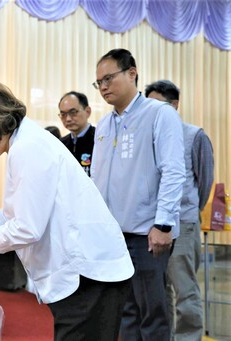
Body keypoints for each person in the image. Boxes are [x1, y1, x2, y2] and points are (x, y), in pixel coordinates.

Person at [0, 77, 134, 341]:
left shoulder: (28, 148)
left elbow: (27, 227)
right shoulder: (24, 142)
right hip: (87, 273)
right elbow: (31, 205)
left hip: (88, 273)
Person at [90, 49, 186, 340]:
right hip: (114, 234)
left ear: (132, 73)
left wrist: (163, 224)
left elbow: (173, 171)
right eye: (98, 82)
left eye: (109, 78)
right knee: (125, 311)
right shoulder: (105, 124)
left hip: (147, 234)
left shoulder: (159, 114)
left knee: (152, 313)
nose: (104, 86)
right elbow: (97, 179)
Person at [145, 80, 214, 341]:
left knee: (185, 289)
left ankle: (188, 337)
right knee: (159, 291)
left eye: (158, 104)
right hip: (152, 225)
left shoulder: (195, 135)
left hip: (182, 224)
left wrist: (189, 212)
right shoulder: (149, 135)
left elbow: (204, 181)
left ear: (174, 105)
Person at [58, 91, 95, 176]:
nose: (68, 119)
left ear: (88, 112)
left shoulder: (99, 140)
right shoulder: (60, 144)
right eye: (63, 114)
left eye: (73, 112)